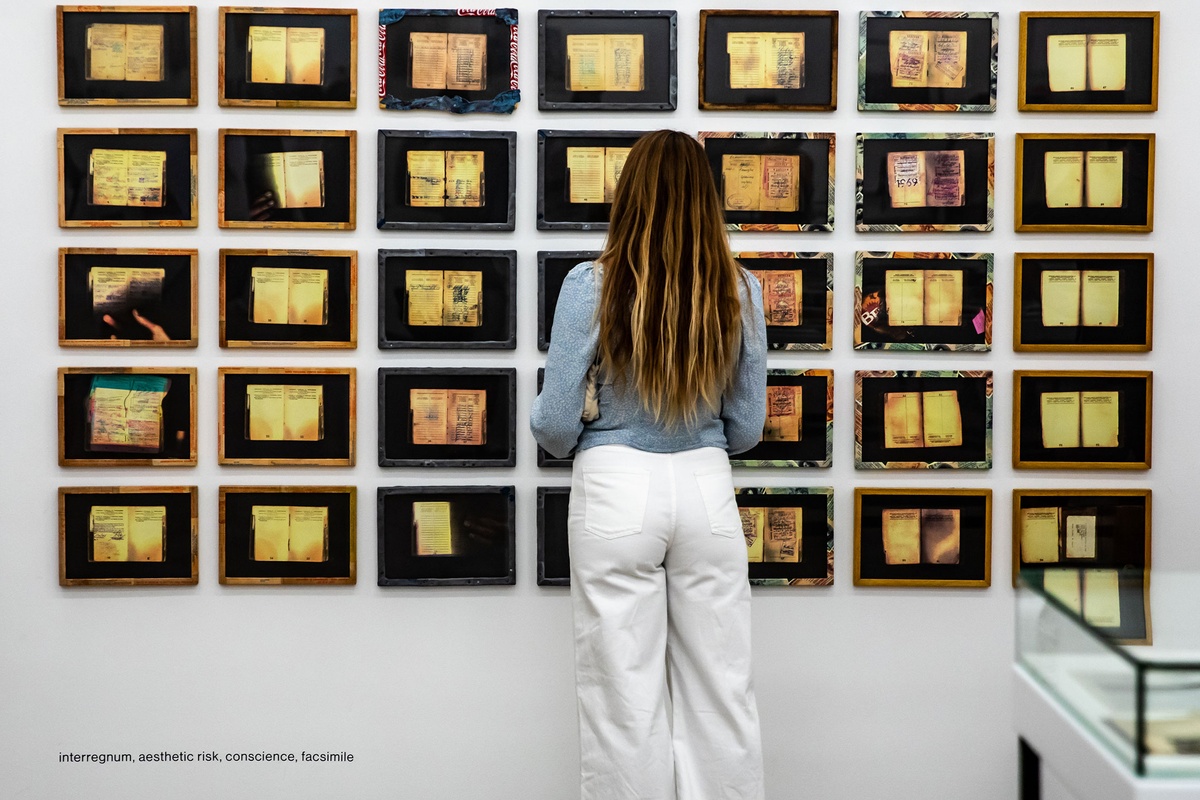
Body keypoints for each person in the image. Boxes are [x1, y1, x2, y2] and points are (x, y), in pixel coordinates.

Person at [530, 130, 768, 800]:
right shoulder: (739, 289)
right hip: (705, 484)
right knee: (722, 690)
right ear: (707, 197)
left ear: (628, 193)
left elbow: (551, 426)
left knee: (622, 700)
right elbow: (746, 428)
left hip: (615, 487)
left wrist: (586, 414)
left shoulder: (592, 284)